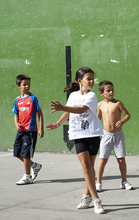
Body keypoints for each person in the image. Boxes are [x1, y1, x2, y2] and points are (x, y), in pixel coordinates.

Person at [45, 67, 106, 214]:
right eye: (88, 79)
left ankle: (86, 196)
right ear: (80, 81)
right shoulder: (72, 95)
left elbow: (81, 109)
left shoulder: (92, 95)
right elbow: (69, 111)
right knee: (86, 167)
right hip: (78, 135)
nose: (91, 81)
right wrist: (58, 123)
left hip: (92, 134)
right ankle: (97, 200)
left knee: (89, 169)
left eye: (92, 78)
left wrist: (62, 107)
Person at [95, 80, 132, 192]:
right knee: (103, 160)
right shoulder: (100, 105)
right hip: (106, 136)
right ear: (102, 93)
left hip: (118, 136)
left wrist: (122, 121)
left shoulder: (118, 103)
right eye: (108, 91)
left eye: (112, 90)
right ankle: (98, 182)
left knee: (121, 160)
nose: (111, 92)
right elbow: (98, 119)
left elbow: (127, 115)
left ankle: (124, 181)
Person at [13, 74, 44, 185]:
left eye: (28, 84)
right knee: (17, 153)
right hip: (20, 131)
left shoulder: (33, 98)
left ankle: (27, 177)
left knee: (26, 154)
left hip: (30, 131)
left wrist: (41, 128)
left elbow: (40, 114)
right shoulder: (17, 100)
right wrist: (17, 124)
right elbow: (15, 114)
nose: (27, 86)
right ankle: (35, 166)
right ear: (18, 86)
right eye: (24, 85)